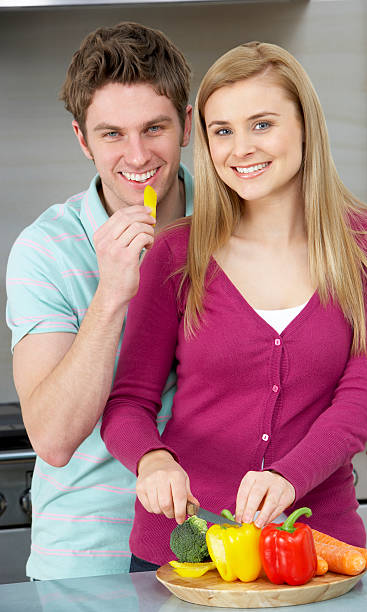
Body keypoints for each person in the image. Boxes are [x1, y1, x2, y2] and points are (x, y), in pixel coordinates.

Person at [101, 41, 367, 570]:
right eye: (222, 131)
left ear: (305, 126)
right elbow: (128, 401)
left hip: (314, 553)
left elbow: (365, 401)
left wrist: (289, 476)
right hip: (184, 556)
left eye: (261, 124)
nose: (240, 148)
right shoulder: (176, 253)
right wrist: (151, 460)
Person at [5, 22, 193, 580]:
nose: (137, 155)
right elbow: (54, 438)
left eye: (154, 127)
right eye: (111, 134)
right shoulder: (44, 248)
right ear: (82, 139)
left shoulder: (237, 226)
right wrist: (111, 293)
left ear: (186, 124)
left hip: (221, 555)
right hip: (86, 567)